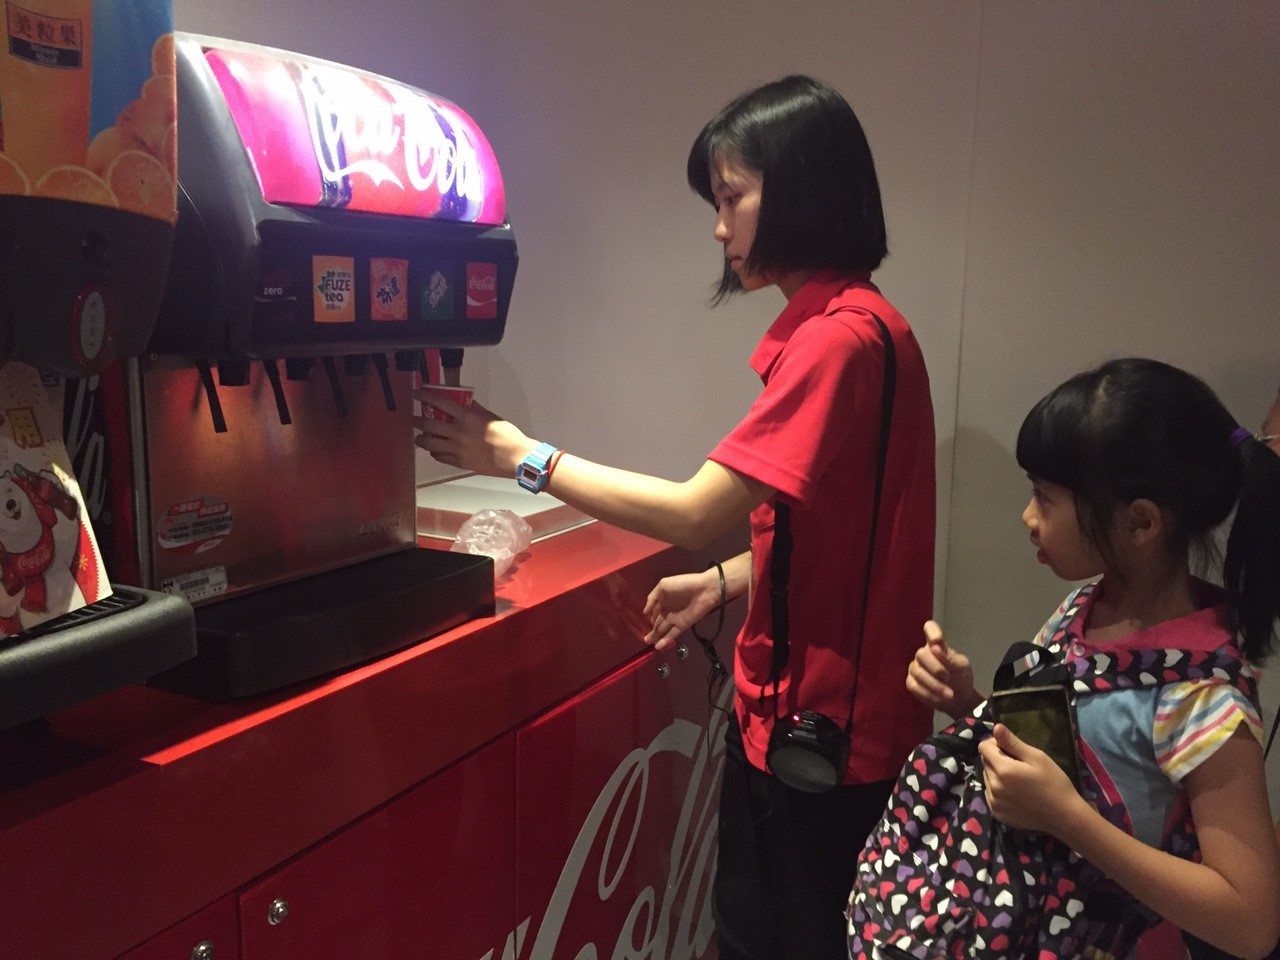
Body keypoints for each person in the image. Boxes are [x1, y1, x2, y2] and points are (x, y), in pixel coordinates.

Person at [416, 74, 937, 960]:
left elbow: (695, 510)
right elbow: (846, 533)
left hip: (817, 741)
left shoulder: (835, 342)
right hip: (844, 729)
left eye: (731, 198)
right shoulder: (874, 327)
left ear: (800, 192)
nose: (719, 228)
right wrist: (729, 580)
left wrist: (521, 456)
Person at [905, 358, 1280, 960]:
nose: (1028, 518)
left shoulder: (1203, 695)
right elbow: (1068, 757)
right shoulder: (1085, 606)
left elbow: (1251, 921)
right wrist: (968, 703)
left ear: (1139, 522)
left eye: (1044, 497)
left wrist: (1067, 818)